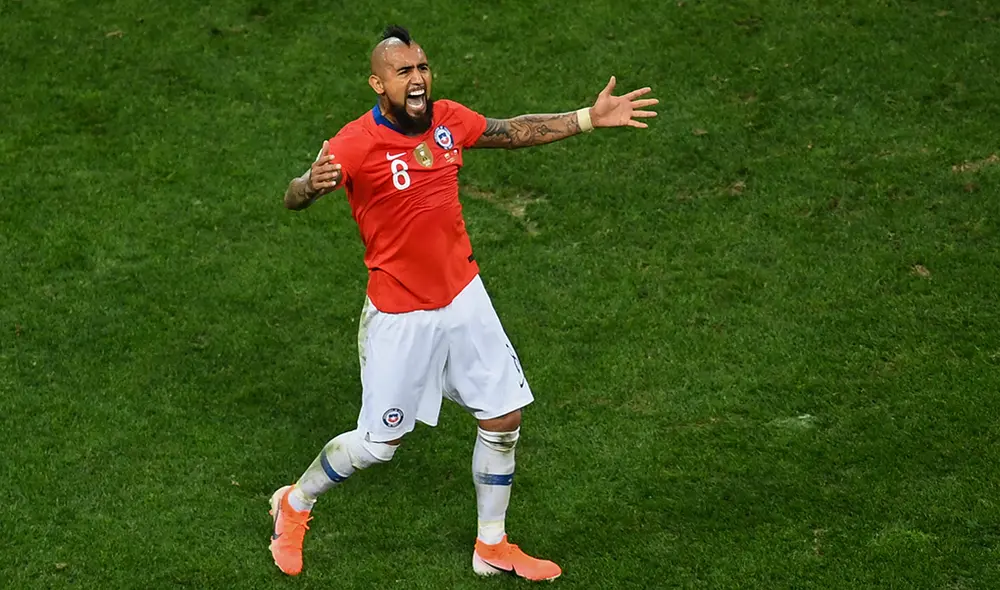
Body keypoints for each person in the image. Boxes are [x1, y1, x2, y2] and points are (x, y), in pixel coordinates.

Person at [269, 24, 658, 582]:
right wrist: (309, 182)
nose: (418, 78)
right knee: (380, 446)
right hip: (401, 315)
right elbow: (292, 196)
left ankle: (491, 545)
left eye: (423, 67)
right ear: (378, 83)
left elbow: (512, 131)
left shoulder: (449, 119)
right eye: (403, 71)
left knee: (503, 417)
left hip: (463, 298)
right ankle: (295, 503)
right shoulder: (355, 142)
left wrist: (588, 118)